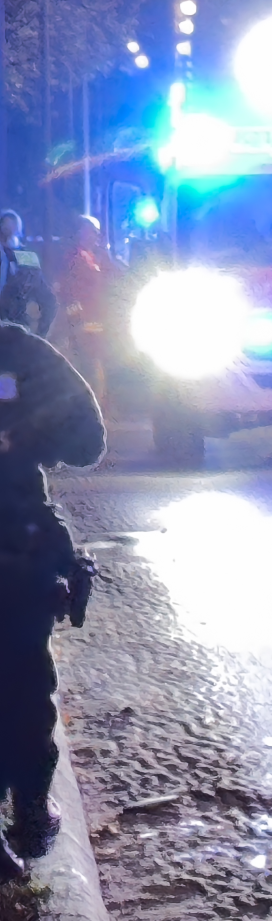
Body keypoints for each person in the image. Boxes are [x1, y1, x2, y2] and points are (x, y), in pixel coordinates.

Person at [0, 318, 105, 872]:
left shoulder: (17, 350)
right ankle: (32, 814)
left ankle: (31, 815)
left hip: (16, 550)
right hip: (14, 548)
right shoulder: (16, 349)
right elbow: (86, 441)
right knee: (21, 684)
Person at [60, 217, 112, 412]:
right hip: (82, 321)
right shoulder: (72, 258)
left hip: (97, 318)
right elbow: (68, 290)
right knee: (86, 363)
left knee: (95, 361)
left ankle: (97, 405)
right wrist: (76, 319)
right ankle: (88, 407)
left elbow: (111, 279)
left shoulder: (97, 256)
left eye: (95, 232)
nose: (93, 235)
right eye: (88, 231)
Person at [0, 211, 57, 338]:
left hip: (16, 330)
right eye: (3, 231)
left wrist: (40, 335)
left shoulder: (27, 259)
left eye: (12, 230)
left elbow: (48, 300)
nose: (7, 234)